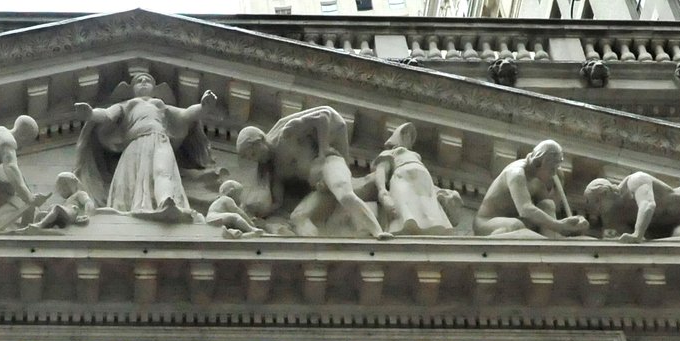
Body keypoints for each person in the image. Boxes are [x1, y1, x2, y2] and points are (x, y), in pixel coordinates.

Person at [73, 68, 215, 222]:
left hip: (160, 140)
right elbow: (107, 114)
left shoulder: (159, 104)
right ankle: (130, 208)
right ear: (132, 89)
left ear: (154, 89)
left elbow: (184, 114)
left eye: (147, 80)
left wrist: (203, 107)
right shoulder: (128, 104)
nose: (143, 82)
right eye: (138, 81)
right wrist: (91, 114)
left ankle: (166, 201)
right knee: (130, 179)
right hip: (135, 144)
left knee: (163, 171)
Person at [233, 106, 386, 239]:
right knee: (298, 217)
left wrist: (323, 149)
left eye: (253, 153)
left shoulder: (287, 134)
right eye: (250, 158)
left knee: (345, 195)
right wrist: (255, 216)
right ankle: (322, 254)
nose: (255, 159)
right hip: (320, 188)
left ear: (261, 139)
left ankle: (378, 232)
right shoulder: (276, 170)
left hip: (328, 164)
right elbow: (277, 202)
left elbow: (323, 116)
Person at [473, 139, 588, 238]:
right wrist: (559, 226)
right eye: (552, 169)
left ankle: (552, 245)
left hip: (521, 221)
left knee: (547, 204)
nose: (554, 173)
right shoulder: (516, 174)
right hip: (487, 222)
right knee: (515, 225)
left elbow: (549, 207)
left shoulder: (538, 177)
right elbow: (526, 209)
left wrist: (574, 223)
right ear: (539, 162)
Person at [370, 122, 455, 236]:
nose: (408, 137)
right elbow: (381, 170)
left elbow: (430, 186)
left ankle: (430, 227)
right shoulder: (391, 152)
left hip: (423, 183)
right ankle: (406, 227)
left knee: (427, 208)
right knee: (405, 205)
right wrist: (382, 191)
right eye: (405, 133)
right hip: (403, 177)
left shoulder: (415, 156)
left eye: (410, 135)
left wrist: (441, 192)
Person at [26, 172, 97, 230]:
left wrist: (87, 215)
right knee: (40, 214)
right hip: (64, 215)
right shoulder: (67, 200)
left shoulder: (79, 194)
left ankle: (41, 225)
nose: (60, 191)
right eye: (60, 188)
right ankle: (32, 229)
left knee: (57, 208)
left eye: (63, 188)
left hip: (72, 214)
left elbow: (88, 202)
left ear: (69, 185)